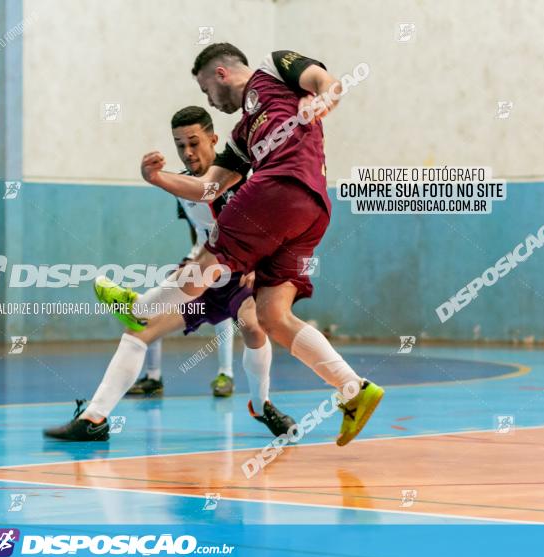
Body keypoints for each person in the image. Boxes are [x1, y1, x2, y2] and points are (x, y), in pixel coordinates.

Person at [95, 44, 383, 446]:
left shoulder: (271, 68)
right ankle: (353, 388)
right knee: (271, 315)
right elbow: (207, 187)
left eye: (205, 90)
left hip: (282, 187)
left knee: (205, 265)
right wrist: (157, 179)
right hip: (311, 212)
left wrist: (326, 98)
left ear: (220, 74)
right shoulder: (242, 133)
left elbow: (322, 81)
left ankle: (140, 307)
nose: (208, 100)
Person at [43, 271, 296, 441]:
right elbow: (201, 229)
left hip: (240, 274)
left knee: (252, 326)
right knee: (141, 329)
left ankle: (261, 403)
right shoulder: (189, 198)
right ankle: (93, 418)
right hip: (207, 272)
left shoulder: (241, 189)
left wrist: (259, 264)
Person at [129, 106, 241, 398]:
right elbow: (196, 228)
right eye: (180, 146)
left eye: (194, 143)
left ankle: (225, 375)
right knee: (153, 305)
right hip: (203, 256)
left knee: (227, 308)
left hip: (238, 262)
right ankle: (153, 377)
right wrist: (194, 258)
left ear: (213, 140)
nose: (188, 152)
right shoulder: (182, 186)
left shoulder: (236, 177)